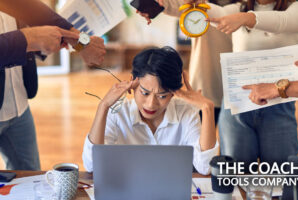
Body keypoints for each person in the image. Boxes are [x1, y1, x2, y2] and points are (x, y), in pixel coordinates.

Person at [0, 0, 106, 170]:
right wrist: (28, 38)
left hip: (19, 105)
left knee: (30, 178)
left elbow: (32, 9)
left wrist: (83, 42)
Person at [82, 46, 218, 175]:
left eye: (162, 96)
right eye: (145, 93)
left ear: (174, 93)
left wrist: (207, 109)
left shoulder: (186, 112)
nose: (151, 104)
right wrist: (103, 106)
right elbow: (92, 165)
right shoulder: (117, 112)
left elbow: (205, 167)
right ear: (132, 82)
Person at [204, 0, 298, 169]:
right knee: (235, 177)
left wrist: (245, 18)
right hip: (237, 104)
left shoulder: (295, 7)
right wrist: (193, 5)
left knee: (281, 178)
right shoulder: (239, 8)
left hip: (279, 104)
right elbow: (211, 14)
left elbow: (282, 21)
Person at [137, 0, 235, 125]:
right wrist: (152, 5)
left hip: (236, 87)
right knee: (198, 140)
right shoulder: (197, 3)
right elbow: (172, 4)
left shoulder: (246, 7)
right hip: (204, 85)